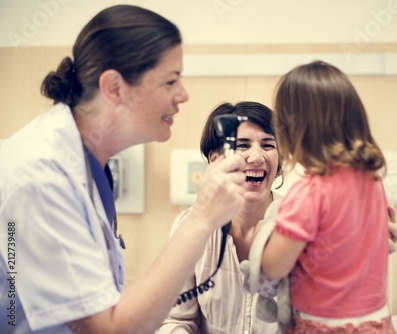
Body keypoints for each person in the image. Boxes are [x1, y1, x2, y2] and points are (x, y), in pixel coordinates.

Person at [0, 5, 247, 334]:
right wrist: (202, 218)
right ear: (115, 88)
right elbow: (107, 329)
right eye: (171, 81)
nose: (183, 95)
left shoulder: (89, 166)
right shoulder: (39, 177)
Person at [158, 102, 397, 333]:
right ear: (216, 160)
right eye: (242, 145)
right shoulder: (190, 226)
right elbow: (176, 318)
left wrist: (364, 246)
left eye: (268, 145)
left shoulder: (307, 223)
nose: (256, 157)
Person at [259, 60, 397, 333]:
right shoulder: (372, 181)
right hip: (377, 321)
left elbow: (273, 267)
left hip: (324, 326)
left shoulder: (309, 191)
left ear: (291, 129)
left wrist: (265, 235)